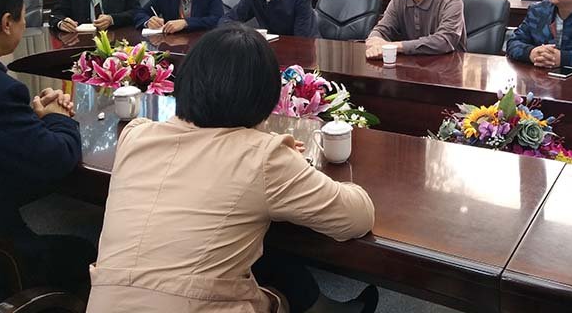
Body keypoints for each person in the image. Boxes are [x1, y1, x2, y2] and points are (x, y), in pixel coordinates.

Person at [86, 25, 377, 313]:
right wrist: (288, 163)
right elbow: (357, 218)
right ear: (264, 96)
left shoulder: (135, 136)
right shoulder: (263, 157)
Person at [0, 0, 95, 294]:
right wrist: (58, 117)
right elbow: (55, 159)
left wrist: (29, 118)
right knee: (85, 250)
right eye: (22, 16)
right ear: (7, 22)